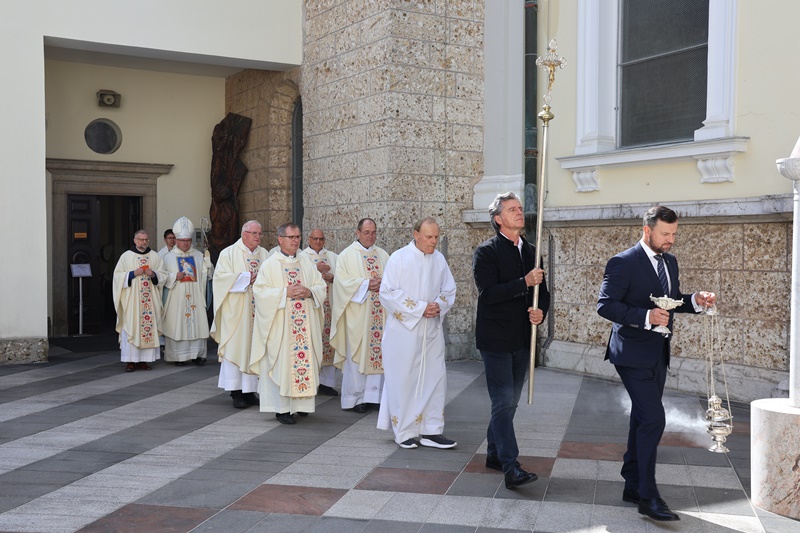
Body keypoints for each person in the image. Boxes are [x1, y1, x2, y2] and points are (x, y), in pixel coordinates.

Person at [597, 205, 715, 522]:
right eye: (665, 234)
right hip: (630, 353)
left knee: (642, 417)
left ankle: (632, 483)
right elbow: (605, 305)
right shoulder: (623, 262)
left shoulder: (670, 261)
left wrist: (694, 301)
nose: (670, 240)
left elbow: (671, 300)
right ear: (647, 230)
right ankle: (648, 497)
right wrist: (645, 317)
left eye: (674, 234)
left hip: (658, 353)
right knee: (653, 419)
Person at [473, 192, 550, 489]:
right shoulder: (486, 252)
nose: (519, 212)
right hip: (495, 340)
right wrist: (523, 283)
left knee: (510, 402)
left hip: (522, 338)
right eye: (512, 209)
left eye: (520, 208)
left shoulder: (532, 250)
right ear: (498, 219)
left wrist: (540, 312)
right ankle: (510, 466)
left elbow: (543, 293)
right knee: (503, 400)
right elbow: (488, 294)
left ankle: (494, 453)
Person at [377, 217, 457, 449]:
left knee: (435, 378)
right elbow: (387, 292)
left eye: (436, 237)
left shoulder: (439, 259)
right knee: (404, 380)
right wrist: (420, 308)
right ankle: (404, 432)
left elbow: (449, 289)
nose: (433, 241)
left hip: (431, 331)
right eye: (429, 237)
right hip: (404, 332)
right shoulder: (399, 258)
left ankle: (431, 430)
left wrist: (438, 305)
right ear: (416, 235)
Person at [250, 223, 327, 424]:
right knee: (283, 365)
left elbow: (320, 285)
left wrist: (309, 292)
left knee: (303, 363)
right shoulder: (270, 264)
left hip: (304, 326)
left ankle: (302, 405)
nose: (295, 241)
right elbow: (260, 292)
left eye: (298, 237)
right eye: (291, 237)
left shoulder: (306, 262)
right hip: (282, 328)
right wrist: (285, 293)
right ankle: (282, 409)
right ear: (280, 239)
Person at [330, 218, 389, 413]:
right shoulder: (346, 255)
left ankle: (374, 396)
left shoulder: (383, 255)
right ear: (358, 233)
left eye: (373, 232)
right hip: (357, 316)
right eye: (366, 232)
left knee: (378, 353)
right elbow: (341, 284)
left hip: (379, 315)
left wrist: (382, 284)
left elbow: (392, 280)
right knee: (356, 356)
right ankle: (356, 398)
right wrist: (366, 284)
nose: (370, 236)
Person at [210, 220, 268, 409]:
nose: (258, 237)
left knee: (254, 350)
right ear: (244, 234)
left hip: (258, 312)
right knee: (237, 348)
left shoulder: (265, 254)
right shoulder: (229, 253)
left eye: (260, 233)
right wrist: (245, 278)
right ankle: (236, 392)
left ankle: (250, 391)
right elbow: (219, 279)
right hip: (236, 314)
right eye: (254, 233)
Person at [112, 230, 167, 372]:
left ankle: (144, 361)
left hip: (150, 300)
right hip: (132, 301)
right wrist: (132, 274)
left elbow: (163, 275)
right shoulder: (126, 256)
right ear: (135, 240)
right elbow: (117, 277)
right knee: (131, 326)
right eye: (141, 239)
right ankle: (130, 361)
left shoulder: (155, 256)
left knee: (148, 328)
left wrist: (153, 274)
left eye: (146, 239)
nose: (144, 242)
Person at [161, 217, 209, 367]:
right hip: (177, 299)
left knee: (197, 325)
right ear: (176, 240)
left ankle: (198, 355)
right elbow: (161, 276)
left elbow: (206, 276)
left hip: (196, 297)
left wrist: (208, 265)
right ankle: (178, 357)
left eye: (188, 240)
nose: (186, 243)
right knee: (178, 325)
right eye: (183, 241)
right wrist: (174, 276)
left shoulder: (198, 255)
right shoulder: (167, 258)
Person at [303, 228, 340, 396]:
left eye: (321, 239)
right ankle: (311, 380)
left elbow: (343, 278)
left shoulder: (333, 257)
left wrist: (333, 278)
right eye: (315, 238)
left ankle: (327, 382)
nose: (318, 242)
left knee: (328, 342)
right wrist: (315, 270)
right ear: (309, 239)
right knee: (312, 341)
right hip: (313, 308)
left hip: (329, 307)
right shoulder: (302, 257)